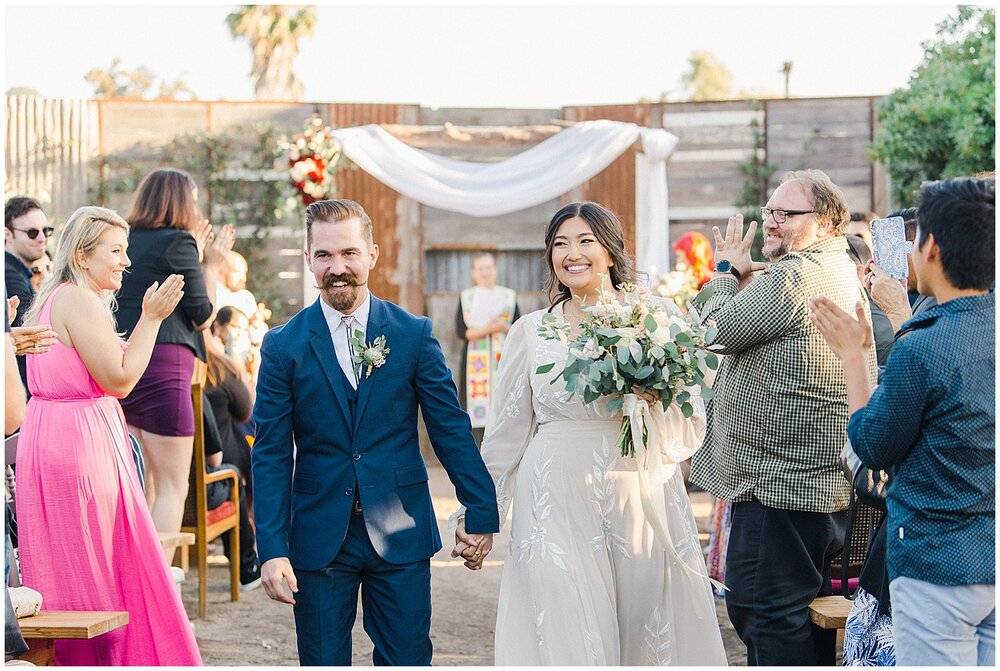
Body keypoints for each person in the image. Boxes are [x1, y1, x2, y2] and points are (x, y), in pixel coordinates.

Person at [451, 201, 727, 665]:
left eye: (585, 241)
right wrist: (481, 515)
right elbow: (505, 436)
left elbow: (688, 428)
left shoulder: (655, 317)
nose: (571, 253)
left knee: (642, 629)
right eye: (560, 244)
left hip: (638, 492)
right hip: (553, 498)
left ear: (611, 251)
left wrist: (651, 399)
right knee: (567, 623)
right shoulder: (531, 331)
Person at [251, 198, 498, 665]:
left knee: (407, 660)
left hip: (400, 527)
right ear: (308, 260)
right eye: (323, 256)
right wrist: (272, 548)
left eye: (348, 253)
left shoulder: (412, 333)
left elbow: (449, 427)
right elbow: (271, 453)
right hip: (319, 535)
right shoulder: (283, 346)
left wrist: (481, 510)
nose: (336, 267)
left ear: (372, 255)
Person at [689, 170, 878, 665]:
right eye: (768, 211)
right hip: (815, 485)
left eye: (785, 214)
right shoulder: (831, 268)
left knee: (764, 612)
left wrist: (726, 271)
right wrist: (748, 277)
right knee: (800, 617)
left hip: (780, 487)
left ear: (828, 220)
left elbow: (713, 329)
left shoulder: (796, 275)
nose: (770, 222)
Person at [810, 177, 994, 667]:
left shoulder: (925, 344)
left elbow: (872, 446)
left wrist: (852, 355)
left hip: (938, 562)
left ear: (930, 246)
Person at [14, 205, 201, 665]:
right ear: (82, 255)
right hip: (77, 443)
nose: (126, 261)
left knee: (75, 562)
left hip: (57, 435)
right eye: (116, 251)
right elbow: (120, 379)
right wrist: (152, 318)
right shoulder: (77, 299)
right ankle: (105, 659)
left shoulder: (60, 295)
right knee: (94, 563)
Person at [114, 168, 235, 542]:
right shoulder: (180, 242)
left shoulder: (123, 240)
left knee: (139, 487)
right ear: (182, 201)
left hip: (121, 361)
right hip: (164, 367)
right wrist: (210, 264)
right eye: (194, 199)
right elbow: (203, 315)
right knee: (170, 486)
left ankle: (136, 582)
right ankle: (160, 587)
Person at [203, 329, 261, 591]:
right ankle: (247, 565)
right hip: (213, 480)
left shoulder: (166, 377)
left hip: (172, 486)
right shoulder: (220, 371)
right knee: (232, 476)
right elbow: (246, 410)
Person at [454, 252, 520, 442]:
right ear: (473, 273)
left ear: (495, 270)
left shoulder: (508, 297)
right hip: (475, 363)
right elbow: (461, 332)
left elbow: (517, 330)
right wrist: (490, 328)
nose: (485, 272)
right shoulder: (467, 297)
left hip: (503, 360)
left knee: (504, 404)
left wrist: (502, 327)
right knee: (474, 409)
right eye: (480, 268)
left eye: (488, 267)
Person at [206, 306, 256, 498]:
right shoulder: (219, 367)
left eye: (243, 330)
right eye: (234, 327)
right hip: (221, 460)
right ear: (217, 327)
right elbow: (246, 410)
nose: (238, 335)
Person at [5, 196, 51, 390]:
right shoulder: (9, 275)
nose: (42, 238)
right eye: (32, 232)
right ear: (7, 234)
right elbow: (36, 333)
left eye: (46, 231)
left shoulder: (19, 272)